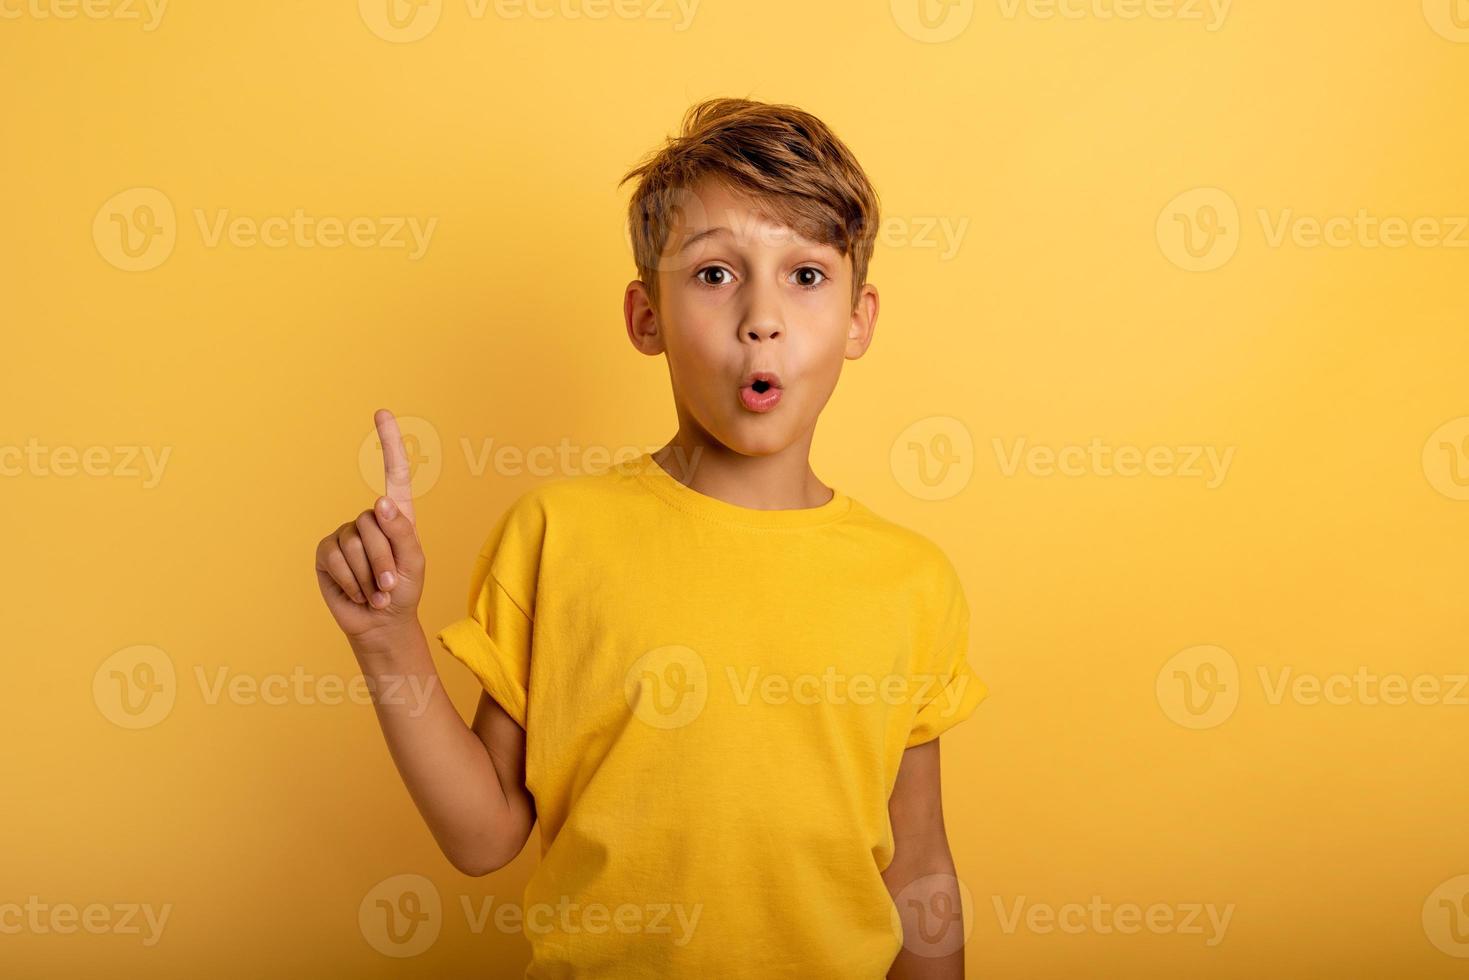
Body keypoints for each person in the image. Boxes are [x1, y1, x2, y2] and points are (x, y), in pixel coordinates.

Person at [314, 96, 987, 978]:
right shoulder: (557, 537)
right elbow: (483, 839)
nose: (762, 317)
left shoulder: (912, 582)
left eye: (807, 276)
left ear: (859, 319)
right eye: (714, 275)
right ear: (645, 318)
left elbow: (919, 867)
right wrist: (388, 639)